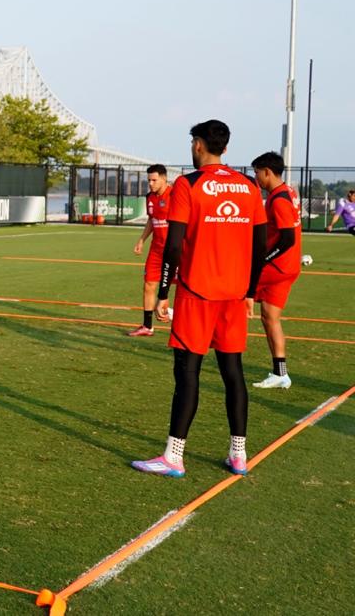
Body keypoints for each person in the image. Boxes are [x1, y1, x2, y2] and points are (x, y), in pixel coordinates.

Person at [132, 120, 266, 479]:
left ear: (198, 145)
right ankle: (238, 454)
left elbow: (173, 246)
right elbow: (259, 245)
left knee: (188, 374)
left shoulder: (189, 184)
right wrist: (251, 291)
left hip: (196, 293)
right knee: (232, 372)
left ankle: (173, 456)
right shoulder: (249, 186)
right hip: (235, 296)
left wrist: (163, 292)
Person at [250, 152, 302, 390]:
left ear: (267, 172)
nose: (256, 177)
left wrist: (264, 260)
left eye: (257, 172)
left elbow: (287, 238)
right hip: (289, 267)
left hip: (277, 267)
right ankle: (281, 373)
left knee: (236, 289)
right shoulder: (288, 192)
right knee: (270, 317)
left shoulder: (278, 199)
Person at [128, 164, 171, 337]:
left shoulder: (175, 195)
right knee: (148, 285)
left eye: (154, 180)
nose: (151, 184)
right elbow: (152, 220)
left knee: (185, 287)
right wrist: (141, 240)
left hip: (176, 250)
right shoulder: (150, 197)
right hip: (156, 249)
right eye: (149, 181)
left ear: (164, 178)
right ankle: (147, 326)